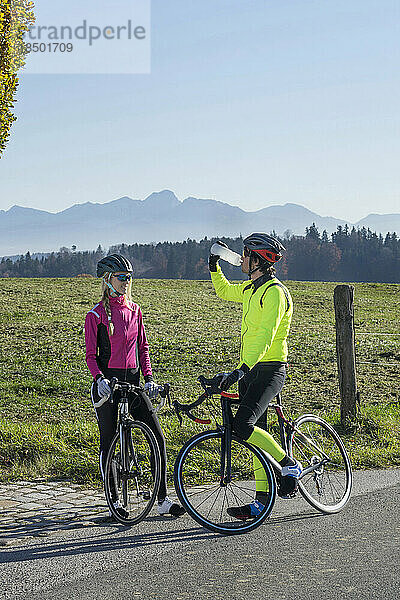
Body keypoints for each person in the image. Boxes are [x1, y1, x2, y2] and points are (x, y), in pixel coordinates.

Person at [209, 233, 302, 520]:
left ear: (258, 260)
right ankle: (261, 502)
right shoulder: (252, 289)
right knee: (252, 437)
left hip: (270, 368)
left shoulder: (274, 292)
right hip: (250, 369)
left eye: (246, 254)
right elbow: (224, 292)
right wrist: (214, 266)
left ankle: (289, 464)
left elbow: (266, 335)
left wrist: (242, 369)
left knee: (243, 424)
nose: (242, 258)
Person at [84, 253, 184, 519]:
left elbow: (143, 348)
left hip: (134, 382)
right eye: (121, 277)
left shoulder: (135, 310)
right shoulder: (95, 315)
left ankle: (162, 498)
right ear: (108, 280)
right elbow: (91, 357)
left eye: (129, 277)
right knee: (109, 442)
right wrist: (99, 379)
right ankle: (115, 500)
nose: (127, 281)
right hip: (108, 384)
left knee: (158, 439)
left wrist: (149, 379)